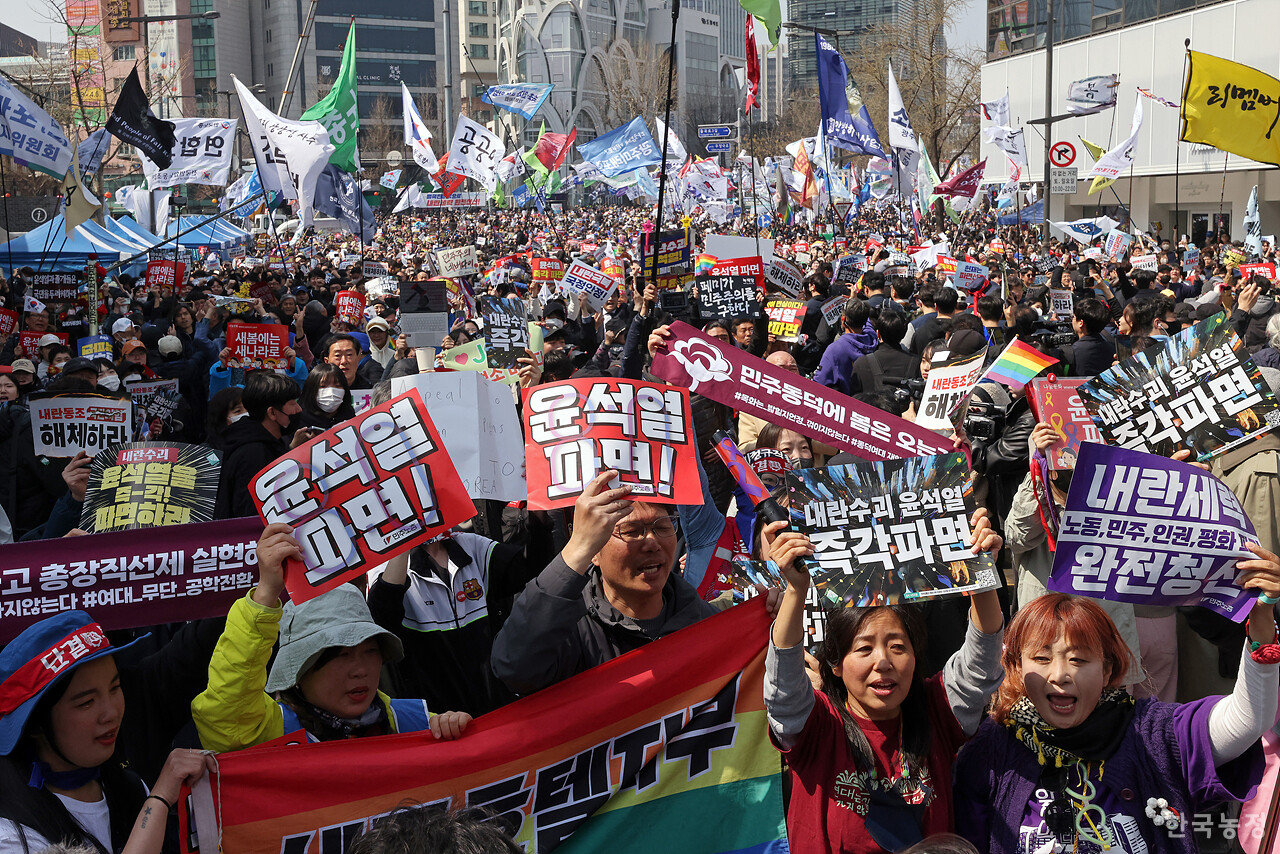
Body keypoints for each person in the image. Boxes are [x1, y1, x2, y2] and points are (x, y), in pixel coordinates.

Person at [955, 576, 1280, 854]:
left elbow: (1248, 717)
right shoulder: (992, 750)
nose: (1059, 675)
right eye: (1040, 657)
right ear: (1017, 666)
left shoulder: (1155, 734)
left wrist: (1262, 625)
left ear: (1108, 668)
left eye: (1079, 660)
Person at [762, 510, 1006, 853]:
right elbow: (782, 689)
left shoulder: (936, 709)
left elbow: (982, 660)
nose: (883, 662)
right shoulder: (818, 727)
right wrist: (795, 590)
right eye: (864, 648)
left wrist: (980, 570)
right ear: (835, 663)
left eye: (897, 647)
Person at [192, 524, 473, 752]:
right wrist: (266, 592)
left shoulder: (415, 722)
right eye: (342, 655)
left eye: (371, 651)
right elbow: (224, 716)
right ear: (300, 669)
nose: (360, 670)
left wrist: (459, 730)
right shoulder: (271, 732)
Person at [491, 470, 723, 696]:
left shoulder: (704, 622)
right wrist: (576, 550)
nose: (652, 542)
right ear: (593, 551)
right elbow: (513, 667)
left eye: (663, 527)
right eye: (632, 531)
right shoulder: (569, 631)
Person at [0, 612, 215, 854]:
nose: (111, 712)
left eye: (115, 687)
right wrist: (159, 799)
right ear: (36, 724)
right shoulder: (11, 832)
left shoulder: (131, 789)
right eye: (87, 703)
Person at [213, 372, 309, 520]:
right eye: (292, 403)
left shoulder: (266, 443)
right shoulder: (252, 453)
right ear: (272, 413)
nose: (298, 409)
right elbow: (249, 514)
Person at [297, 363, 355, 430]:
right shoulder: (298, 419)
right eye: (323, 386)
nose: (331, 392)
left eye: (337, 385)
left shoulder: (349, 416)